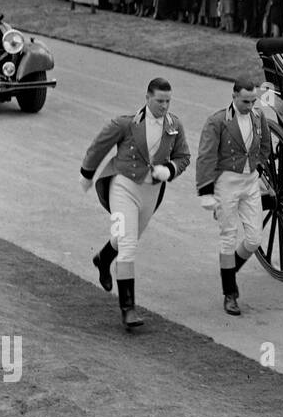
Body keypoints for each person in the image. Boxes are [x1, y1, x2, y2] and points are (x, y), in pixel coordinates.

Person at [80, 78, 192, 329]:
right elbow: (99, 146)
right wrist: (86, 175)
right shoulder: (126, 123)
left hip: (151, 192)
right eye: (159, 101)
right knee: (128, 244)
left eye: (168, 101)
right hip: (123, 186)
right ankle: (128, 309)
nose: (164, 106)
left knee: (125, 238)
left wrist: (170, 170)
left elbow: (184, 156)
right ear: (147, 98)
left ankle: (103, 258)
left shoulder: (175, 125)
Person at [196, 79, 273, 317]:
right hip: (226, 183)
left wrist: (258, 168)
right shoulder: (217, 121)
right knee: (228, 236)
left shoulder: (259, 118)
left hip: (250, 182)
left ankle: (227, 271)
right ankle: (230, 292)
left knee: (254, 239)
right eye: (245, 101)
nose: (250, 106)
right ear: (233, 96)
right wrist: (205, 191)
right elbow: (206, 157)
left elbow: (265, 147)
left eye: (253, 101)